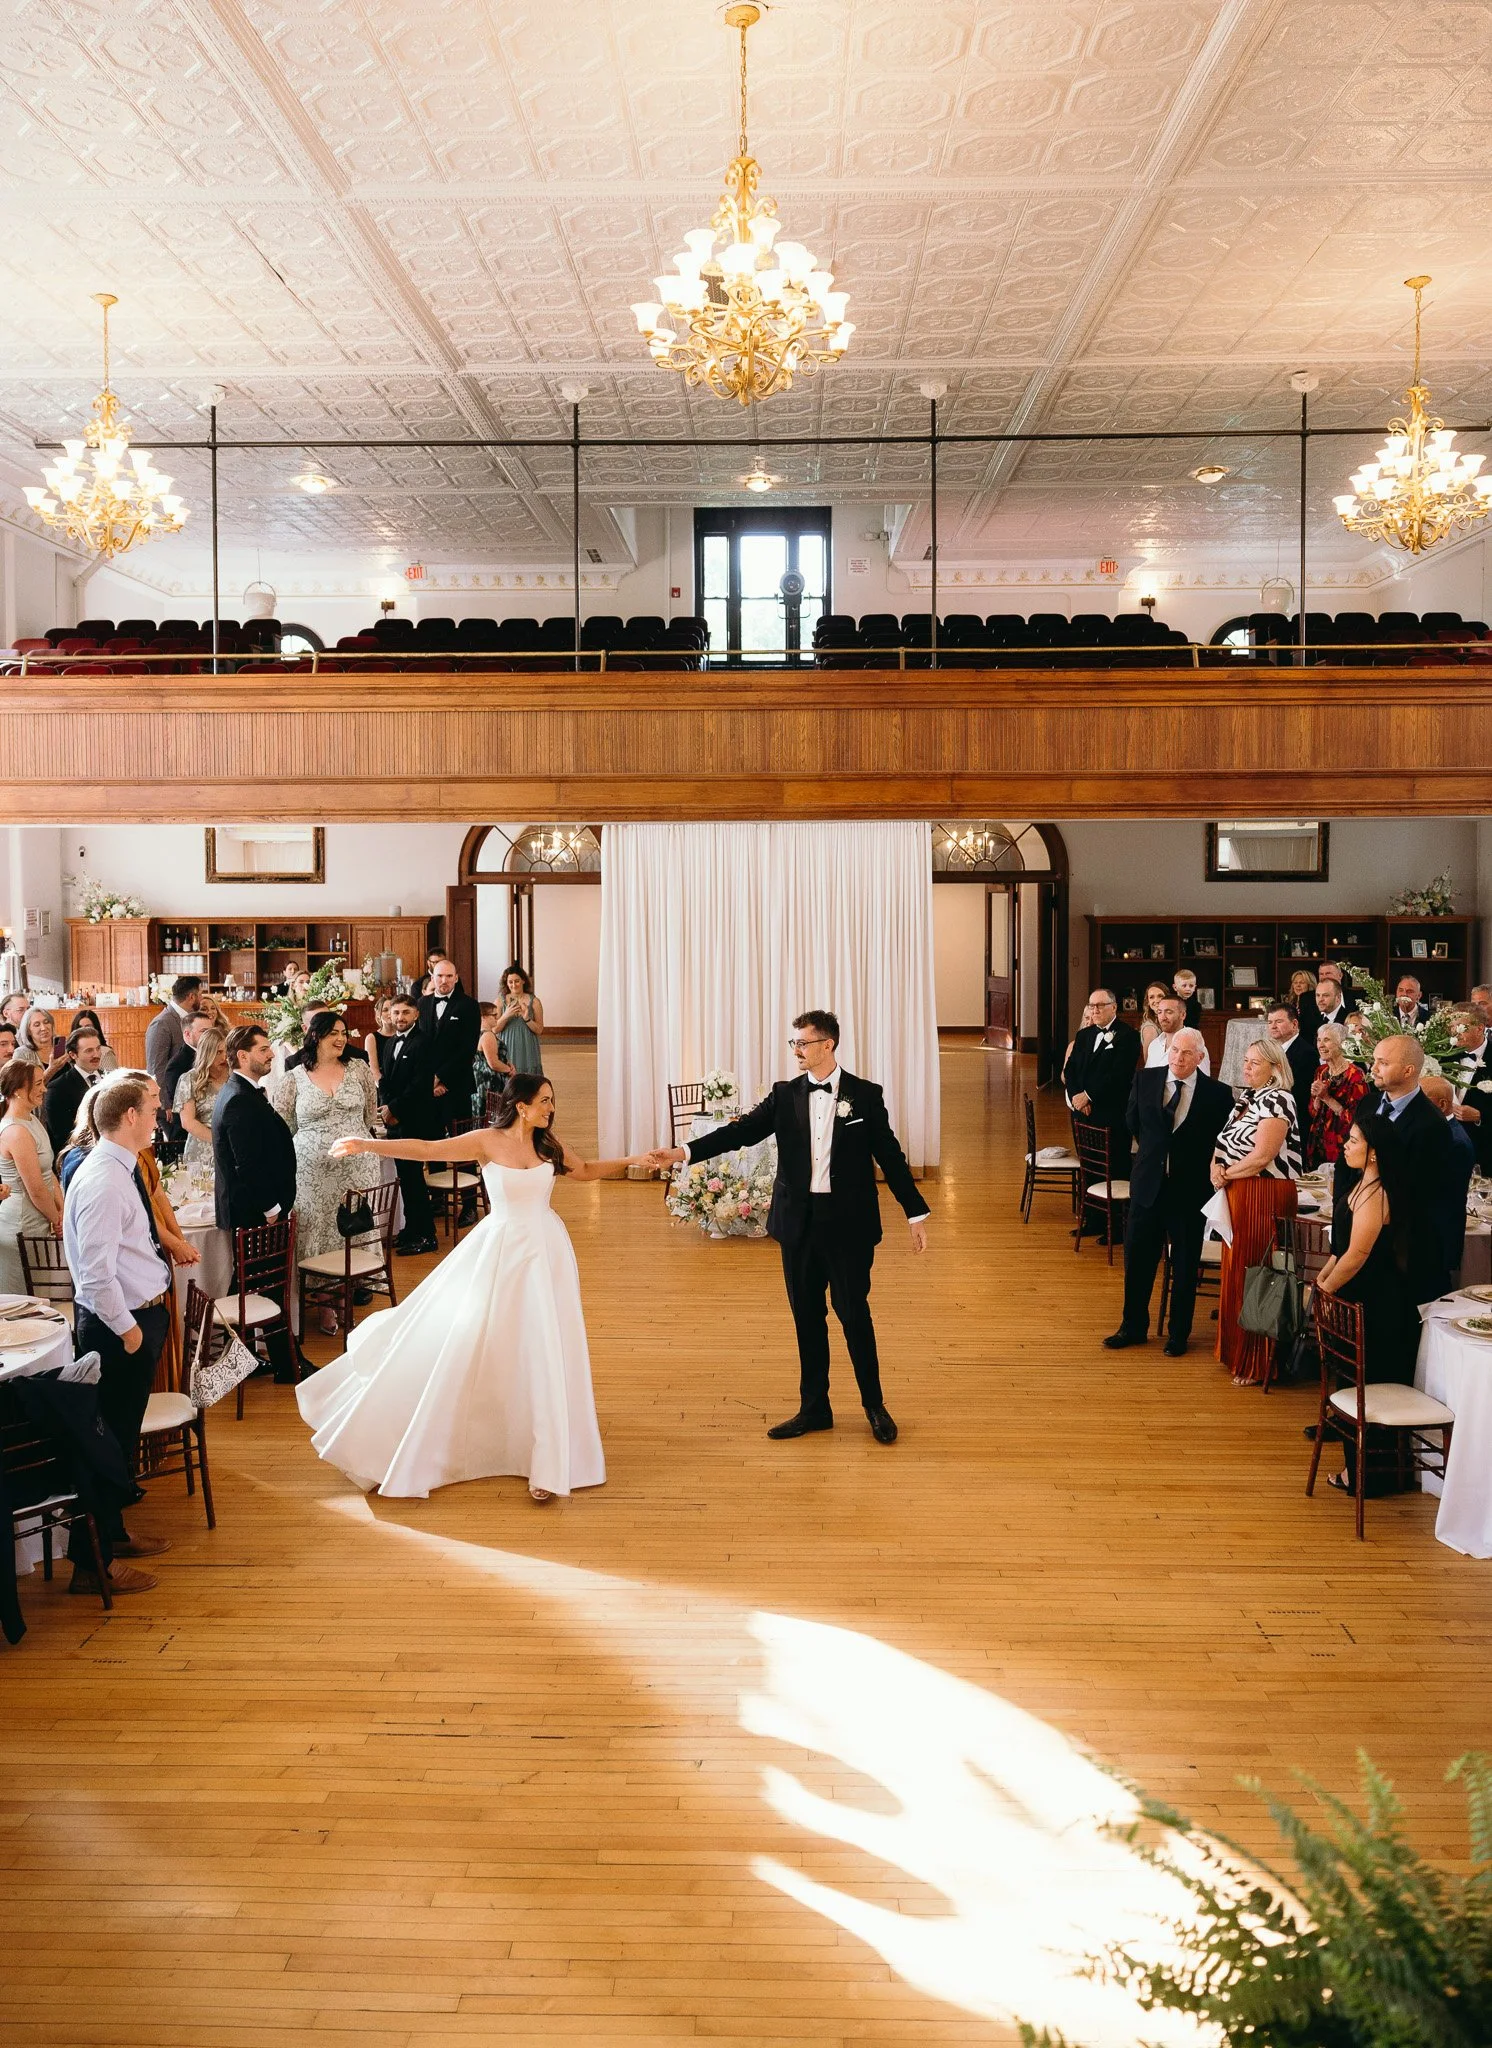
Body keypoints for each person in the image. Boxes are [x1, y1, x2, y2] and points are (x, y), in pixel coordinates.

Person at [301, 1074, 642, 1501]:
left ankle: (547, 1460)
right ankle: (471, 1435)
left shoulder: (547, 1146)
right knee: (473, 1338)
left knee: (542, 1346)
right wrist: (369, 1144)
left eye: (551, 1102)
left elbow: (588, 1171)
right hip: (499, 1250)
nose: (551, 1109)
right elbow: (426, 1149)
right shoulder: (486, 1141)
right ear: (521, 1106)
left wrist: (639, 1158)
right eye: (545, 1102)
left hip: (546, 1253)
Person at [648, 1009, 929, 1445]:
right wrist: (682, 1151)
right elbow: (737, 1134)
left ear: (828, 1045)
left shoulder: (866, 1096)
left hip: (849, 1227)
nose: (796, 1050)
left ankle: (874, 1405)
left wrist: (915, 1213)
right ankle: (814, 1408)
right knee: (807, 1319)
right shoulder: (784, 1095)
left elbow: (890, 1156)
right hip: (799, 1226)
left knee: (855, 1315)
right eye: (793, 1043)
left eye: (803, 1042)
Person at [61, 1072, 179, 1595]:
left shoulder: (118, 1168)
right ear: (129, 1116)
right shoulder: (104, 1179)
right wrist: (131, 1333)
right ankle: (93, 1565)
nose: (158, 1116)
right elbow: (94, 1274)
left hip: (133, 1318)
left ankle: (114, 1533)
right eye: (151, 1109)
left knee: (121, 1442)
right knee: (104, 1445)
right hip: (117, 1328)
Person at [1105, 1028, 1233, 1356]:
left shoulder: (1218, 1094)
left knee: (1186, 1266)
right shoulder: (1145, 1080)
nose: (1179, 1057)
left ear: (1200, 1058)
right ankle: (1132, 1327)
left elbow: (1221, 1143)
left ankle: (1179, 1334)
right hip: (1147, 1188)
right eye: (1175, 1050)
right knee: (1138, 1262)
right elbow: (1133, 1122)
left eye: (1187, 1053)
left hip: (1189, 1193)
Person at [1315, 1111, 1421, 1496]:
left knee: (1369, 1383)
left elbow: (1358, 1253)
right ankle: (1355, 1469)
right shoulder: (1361, 1185)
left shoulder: (1378, 1195)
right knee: (1351, 1379)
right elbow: (1340, 1246)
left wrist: (1328, 1290)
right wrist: (1323, 1280)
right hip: (1354, 1295)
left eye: (1354, 1141)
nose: (1346, 1145)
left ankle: (1370, 1475)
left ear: (1374, 1153)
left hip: (1376, 1303)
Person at [272, 1011, 382, 1335]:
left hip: (357, 1170)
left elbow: (369, 1113)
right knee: (316, 1234)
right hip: (311, 1174)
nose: (341, 1038)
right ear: (315, 1036)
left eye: (344, 1032)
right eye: (333, 1032)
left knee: (353, 1231)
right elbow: (284, 1126)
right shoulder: (293, 1077)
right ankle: (323, 1302)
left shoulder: (359, 1069)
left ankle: (347, 1293)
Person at [1211, 1036, 1301, 1385]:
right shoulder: (1247, 1098)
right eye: (1245, 1061)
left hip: (1264, 1193)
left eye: (1254, 1063)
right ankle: (1234, 1350)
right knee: (1236, 1270)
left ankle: (1258, 1361)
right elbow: (1222, 1143)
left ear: (1275, 1069)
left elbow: (1263, 1157)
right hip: (1237, 1191)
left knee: (1259, 1274)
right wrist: (1215, 1168)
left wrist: (1225, 1175)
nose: (1246, 1067)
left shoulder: (1279, 1099)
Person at [211, 1024, 299, 1382]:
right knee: (262, 1284)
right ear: (242, 1056)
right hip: (255, 1211)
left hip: (256, 1209)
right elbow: (247, 1165)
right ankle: (285, 1365)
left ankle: (245, 1362)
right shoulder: (237, 1099)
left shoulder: (244, 1092)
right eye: (263, 1049)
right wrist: (273, 1210)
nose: (271, 1054)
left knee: (252, 1286)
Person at [1367, 1034, 1456, 1304]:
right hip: (1364, 1236)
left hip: (1402, 1251)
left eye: (1382, 1063)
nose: (1373, 1068)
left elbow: (1418, 1193)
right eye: (1374, 1061)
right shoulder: (1368, 1104)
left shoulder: (1432, 1125)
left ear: (1408, 1070)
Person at [1062, 988, 1142, 1230]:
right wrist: (1077, 1097)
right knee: (1090, 1165)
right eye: (1092, 1006)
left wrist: (1088, 1097)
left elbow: (1118, 1076)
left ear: (1114, 1007)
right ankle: (1093, 1220)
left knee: (1114, 1167)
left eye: (1100, 1005)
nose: (1095, 1010)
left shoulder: (1128, 1036)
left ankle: (1117, 1226)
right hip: (1082, 1113)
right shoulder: (1084, 1035)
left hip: (1111, 1114)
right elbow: (1071, 1069)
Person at [376, 993, 441, 1255]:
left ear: (416, 1014)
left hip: (415, 1121)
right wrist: (387, 1106)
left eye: (405, 1012)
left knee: (414, 1179)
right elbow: (385, 1080)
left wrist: (394, 1109)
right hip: (396, 1121)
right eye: (395, 1013)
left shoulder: (424, 1043)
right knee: (405, 1178)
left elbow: (420, 1086)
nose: (399, 1017)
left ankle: (427, 1235)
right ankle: (412, 1229)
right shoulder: (390, 1043)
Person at [0, 1057, 62, 1294]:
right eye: (37, 1084)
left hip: (42, 1215)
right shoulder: (15, 1131)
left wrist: (62, 1209)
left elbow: (48, 1173)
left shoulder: (31, 1119)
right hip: (22, 1222)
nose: (44, 1089)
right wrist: (56, 1219)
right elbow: (35, 1188)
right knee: (25, 1299)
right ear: (17, 1090)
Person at [1419, 1073, 1475, 1284]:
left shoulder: (1454, 1141)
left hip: (1437, 1242)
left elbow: (1436, 1195)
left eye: (1421, 1100)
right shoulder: (1441, 1132)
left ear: (1442, 1105)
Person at [1304, 1022, 1368, 1169]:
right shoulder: (1321, 1071)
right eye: (1319, 1040)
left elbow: (1356, 1120)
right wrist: (1317, 1097)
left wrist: (1327, 1098)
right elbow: (1313, 1112)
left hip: (1342, 1147)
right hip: (1317, 1144)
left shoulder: (1355, 1075)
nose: (1320, 1045)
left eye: (1327, 1040)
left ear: (1342, 1044)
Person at [144, 975, 204, 1111]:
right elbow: (156, 1068)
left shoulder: (189, 1019)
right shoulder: (162, 1023)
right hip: (171, 1103)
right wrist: (165, 1104)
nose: (202, 999)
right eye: (201, 994)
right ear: (191, 997)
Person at [42, 1026, 105, 1153]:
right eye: (89, 1051)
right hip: (81, 1157)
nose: (96, 1054)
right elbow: (63, 1138)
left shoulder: (111, 1078)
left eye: (98, 1048)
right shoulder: (58, 1088)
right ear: (72, 1054)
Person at [174, 1025, 228, 1168]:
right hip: (202, 1149)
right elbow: (187, 1122)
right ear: (206, 1053)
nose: (224, 1057)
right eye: (218, 1052)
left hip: (233, 1147)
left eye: (226, 1052)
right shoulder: (190, 1079)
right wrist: (219, 1141)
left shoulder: (234, 1077)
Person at [1448, 1006, 1492, 1171]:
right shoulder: (1444, 1054)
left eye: (1461, 1027)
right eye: (1452, 1027)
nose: (1455, 1033)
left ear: (1480, 1028)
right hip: (1448, 1149)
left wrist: (1481, 1116)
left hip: (1484, 1150)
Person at [160, 1013, 214, 1143]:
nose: (209, 1037)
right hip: (189, 1137)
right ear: (187, 1034)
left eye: (211, 1031)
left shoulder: (212, 1058)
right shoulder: (178, 1065)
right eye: (204, 1032)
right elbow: (181, 1110)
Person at [1265, 1001, 1315, 1129]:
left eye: (1279, 1021)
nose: (1273, 1026)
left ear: (1294, 1024)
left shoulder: (1306, 1053)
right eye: (1270, 1022)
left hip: (1294, 1121)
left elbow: (1300, 1095)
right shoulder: (1272, 1049)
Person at [1143, 995, 1213, 1075]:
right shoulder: (1154, 1045)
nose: (1163, 1017)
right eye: (1159, 1012)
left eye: (1169, 1012)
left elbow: (1202, 1084)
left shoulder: (1196, 1047)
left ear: (1183, 1015)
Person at [495, 966, 544, 1077]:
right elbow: (495, 1029)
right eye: (510, 982)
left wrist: (526, 1018)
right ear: (506, 983)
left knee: (529, 1081)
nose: (513, 985)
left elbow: (539, 1030)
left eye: (517, 981)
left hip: (528, 1045)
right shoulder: (500, 1001)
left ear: (523, 981)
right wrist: (506, 1015)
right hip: (507, 1046)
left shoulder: (535, 1002)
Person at [473, 1001, 515, 1117]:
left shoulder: (477, 1033)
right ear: (483, 1017)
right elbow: (493, 1063)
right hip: (490, 1079)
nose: (497, 1018)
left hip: (481, 1076)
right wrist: (509, 1069)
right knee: (491, 1112)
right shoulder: (488, 1035)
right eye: (494, 1015)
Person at [15, 1005, 70, 1085]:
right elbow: (25, 1088)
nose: (43, 1028)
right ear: (28, 1031)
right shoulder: (22, 1054)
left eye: (46, 1022)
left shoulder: (63, 1045)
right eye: (37, 1025)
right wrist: (51, 1070)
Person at [69, 1006, 119, 1073]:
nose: (84, 1031)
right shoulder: (68, 1054)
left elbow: (113, 1080)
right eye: (80, 1027)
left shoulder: (105, 1053)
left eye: (88, 1027)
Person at [1137, 982, 1172, 1058]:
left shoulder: (1169, 1020)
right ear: (1148, 1002)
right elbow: (1149, 1061)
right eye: (1151, 997)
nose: (1156, 1000)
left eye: (1160, 996)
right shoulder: (1150, 1028)